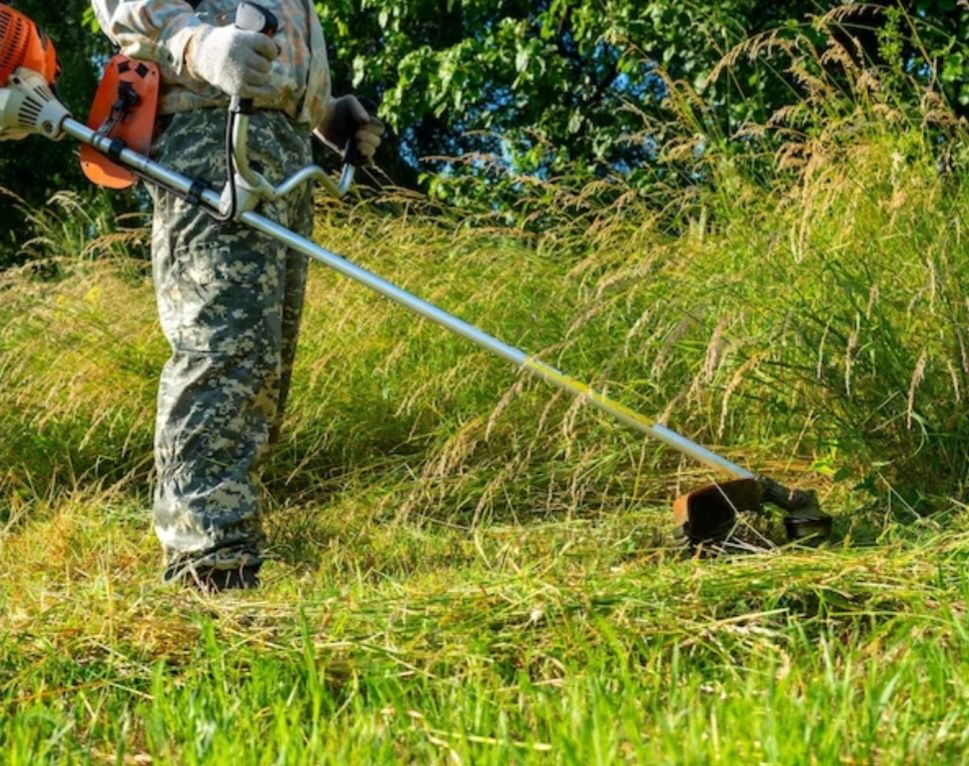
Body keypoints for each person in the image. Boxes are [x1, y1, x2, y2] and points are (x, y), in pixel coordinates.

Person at [91, 0, 383, 591]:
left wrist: (322, 111)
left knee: (264, 362)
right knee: (221, 346)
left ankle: (230, 537)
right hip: (211, 125)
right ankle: (208, 561)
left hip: (283, 143)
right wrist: (197, 44)